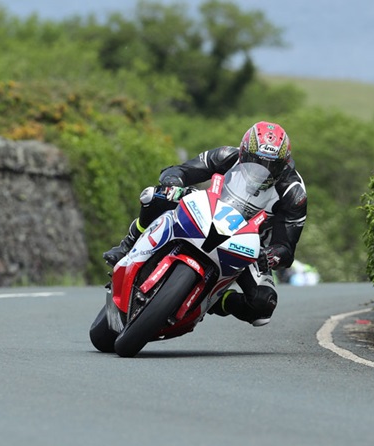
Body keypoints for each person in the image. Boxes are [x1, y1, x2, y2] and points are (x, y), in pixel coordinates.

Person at [103, 121, 307, 327]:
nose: (263, 170)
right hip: (206, 214)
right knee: (154, 196)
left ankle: (217, 301)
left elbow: (286, 247)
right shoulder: (226, 156)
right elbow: (181, 171)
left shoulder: (294, 193)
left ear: (285, 163)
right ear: (244, 153)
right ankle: (128, 244)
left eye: (273, 165)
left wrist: (271, 256)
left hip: (249, 246)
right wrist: (173, 182)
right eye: (256, 162)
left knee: (263, 306)